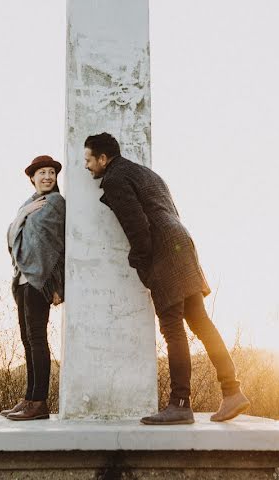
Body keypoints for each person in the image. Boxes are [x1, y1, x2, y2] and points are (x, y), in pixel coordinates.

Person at [83, 133, 250, 425]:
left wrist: (140, 262)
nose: (86, 166)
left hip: (163, 252)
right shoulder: (145, 173)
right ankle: (232, 391)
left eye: (88, 159)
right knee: (200, 322)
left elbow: (136, 225)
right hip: (181, 243)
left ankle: (180, 403)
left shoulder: (115, 178)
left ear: (103, 158)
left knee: (173, 329)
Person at [1, 155, 65, 421]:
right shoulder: (28, 205)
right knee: (27, 340)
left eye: (51, 172)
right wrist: (24, 214)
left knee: (38, 339)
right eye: (42, 173)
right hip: (22, 280)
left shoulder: (57, 204)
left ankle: (39, 402)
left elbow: (59, 245)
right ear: (32, 178)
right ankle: (29, 397)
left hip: (41, 280)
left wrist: (58, 283)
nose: (48, 177)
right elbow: (10, 236)